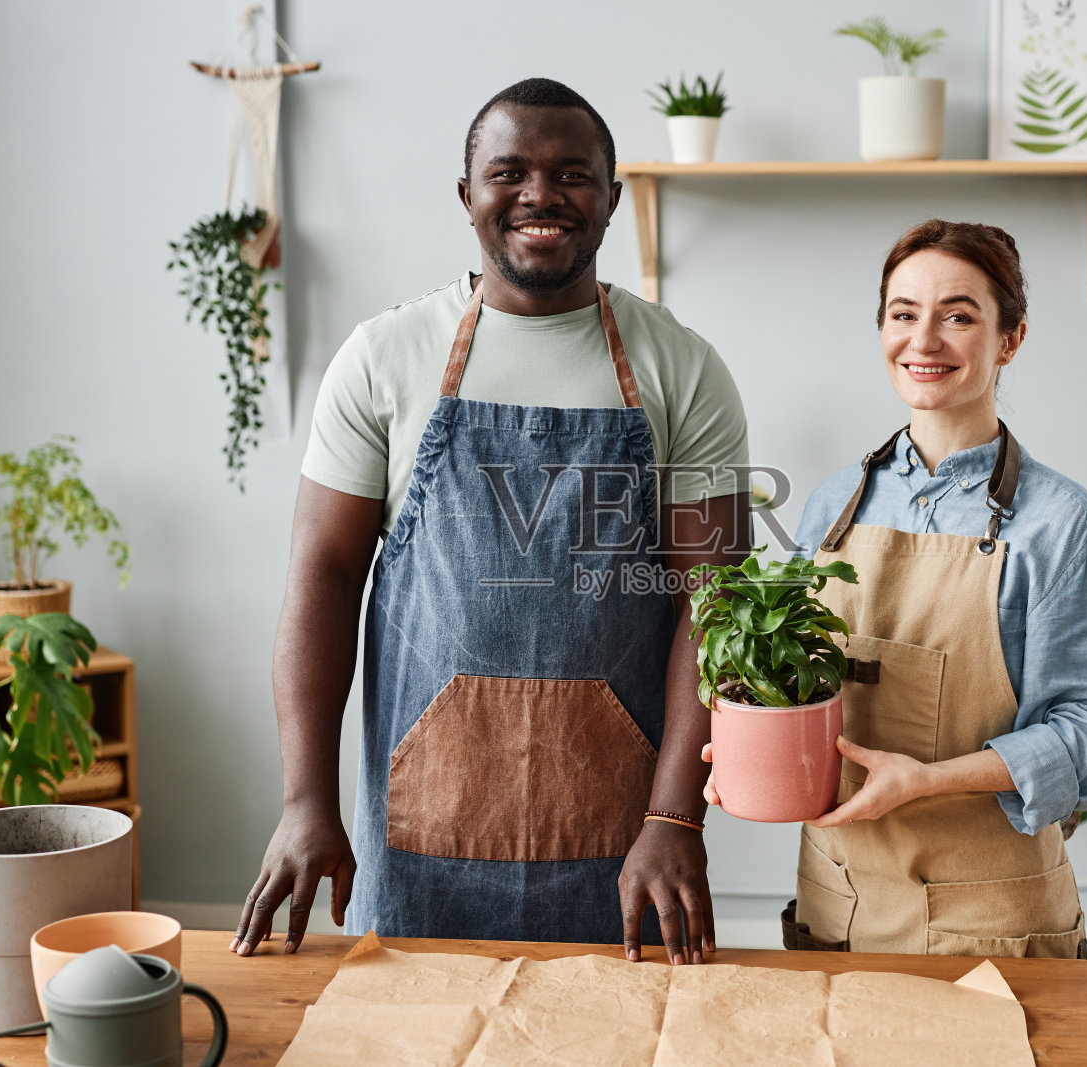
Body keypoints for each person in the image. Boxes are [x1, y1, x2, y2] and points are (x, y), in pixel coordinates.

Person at [234, 78, 748, 965]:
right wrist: (305, 800)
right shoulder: (383, 357)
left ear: (612, 197)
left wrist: (674, 816)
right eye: (509, 172)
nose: (541, 195)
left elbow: (714, 605)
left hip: (626, 846)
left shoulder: (684, 369)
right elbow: (323, 579)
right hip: (418, 841)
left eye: (572, 174)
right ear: (467, 194)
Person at [706, 219, 1087, 958]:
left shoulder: (1059, 522)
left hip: (990, 917)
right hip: (839, 902)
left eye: (958, 316)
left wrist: (927, 779)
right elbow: (796, 679)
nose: (924, 340)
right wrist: (751, 746)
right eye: (904, 314)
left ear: (1010, 339)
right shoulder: (834, 504)